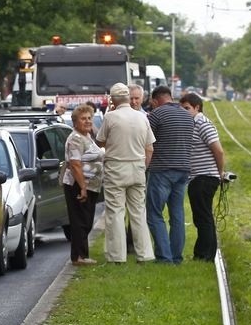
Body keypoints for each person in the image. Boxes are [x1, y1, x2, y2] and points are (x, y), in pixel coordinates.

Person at [96, 83, 156, 264]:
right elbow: (150, 147)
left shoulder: (110, 118)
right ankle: (145, 254)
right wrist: (143, 166)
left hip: (116, 169)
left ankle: (117, 256)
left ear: (113, 99)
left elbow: (100, 142)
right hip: (137, 168)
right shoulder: (142, 117)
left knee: (115, 212)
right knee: (138, 212)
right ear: (129, 98)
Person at [146, 85, 194, 264]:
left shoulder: (156, 115)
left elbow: (146, 140)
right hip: (183, 171)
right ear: (170, 97)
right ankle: (176, 256)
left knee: (154, 214)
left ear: (155, 100)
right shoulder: (187, 116)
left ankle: (165, 258)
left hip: (162, 170)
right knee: (177, 214)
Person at [180, 92, 226, 261]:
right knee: (202, 216)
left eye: (187, 108)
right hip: (198, 177)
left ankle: (205, 255)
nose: (184, 112)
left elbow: (218, 150)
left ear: (197, 107)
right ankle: (205, 252)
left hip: (204, 177)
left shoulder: (202, 123)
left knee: (203, 217)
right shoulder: (193, 123)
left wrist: (220, 173)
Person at [62, 104, 104, 266]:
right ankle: (78, 257)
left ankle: (82, 255)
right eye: (83, 119)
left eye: (89, 118)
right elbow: (75, 164)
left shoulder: (87, 137)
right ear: (75, 122)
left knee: (86, 220)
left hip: (90, 186)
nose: (87, 121)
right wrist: (83, 187)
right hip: (78, 186)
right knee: (80, 221)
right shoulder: (75, 139)